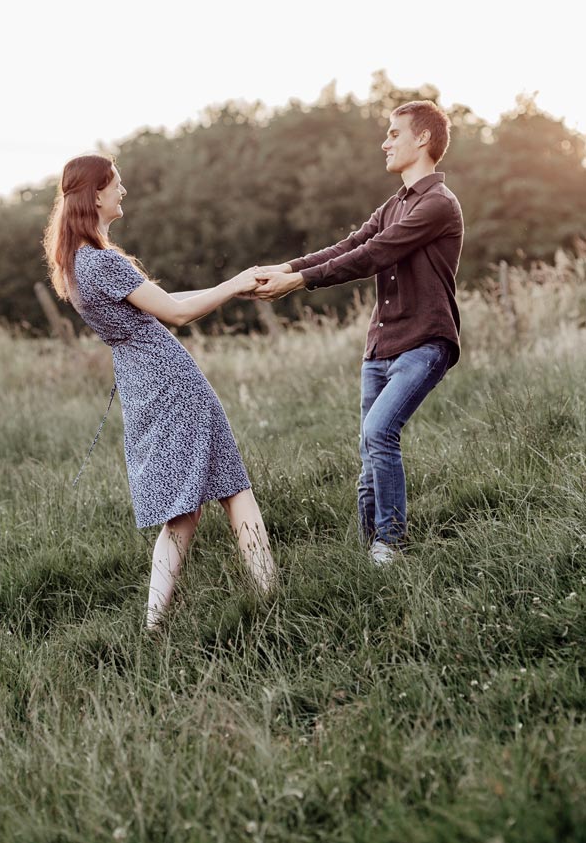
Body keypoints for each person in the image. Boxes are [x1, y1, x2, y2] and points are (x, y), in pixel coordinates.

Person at [43, 153, 276, 629]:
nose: (123, 191)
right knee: (233, 487)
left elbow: (163, 305)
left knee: (182, 512)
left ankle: (154, 624)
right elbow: (175, 315)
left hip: (142, 383)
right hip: (172, 381)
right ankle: (268, 596)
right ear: (96, 194)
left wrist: (230, 289)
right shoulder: (103, 261)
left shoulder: (76, 265)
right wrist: (234, 282)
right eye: (117, 185)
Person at [252, 100, 464, 565]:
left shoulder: (437, 205)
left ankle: (390, 543)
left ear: (423, 139)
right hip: (380, 346)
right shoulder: (394, 205)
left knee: (379, 431)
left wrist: (300, 282)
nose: (384, 142)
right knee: (370, 446)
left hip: (425, 342)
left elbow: (375, 254)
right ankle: (370, 547)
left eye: (393, 133)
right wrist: (283, 267)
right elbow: (350, 245)